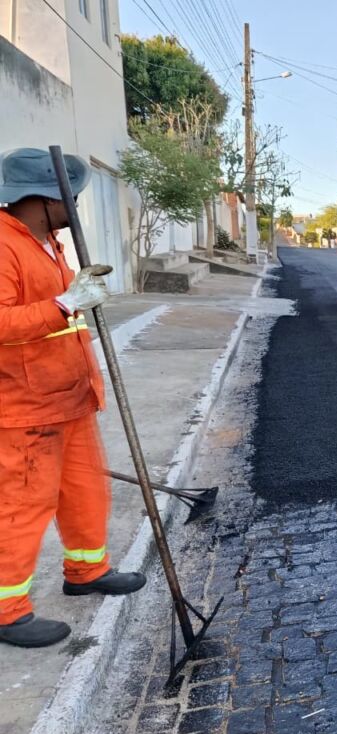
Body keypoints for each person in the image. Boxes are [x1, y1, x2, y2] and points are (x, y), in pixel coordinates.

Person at [0, 148, 146, 649]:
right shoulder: (3, 245)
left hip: (70, 396)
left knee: (85, 493)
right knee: (22, 506)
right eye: (70, 196)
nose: (77, 204)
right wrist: (65, 303)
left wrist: (76, 294)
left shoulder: (49, 242)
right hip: (25, 407)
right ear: (41, 199)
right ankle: (7, 610)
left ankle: (86, 571)